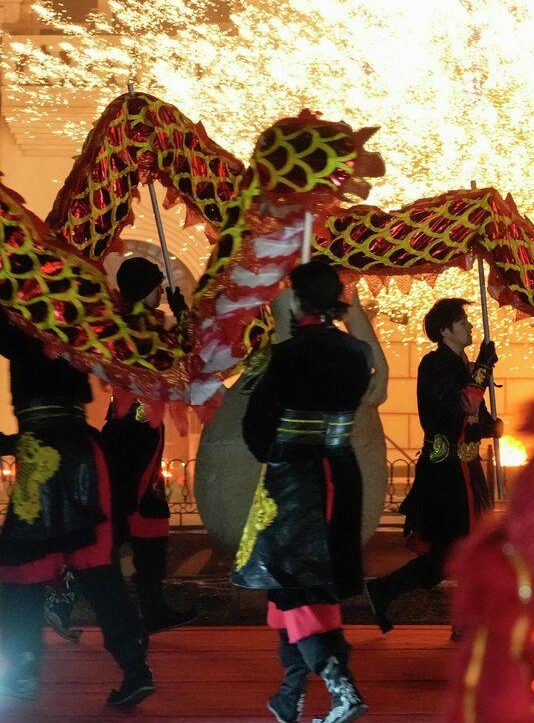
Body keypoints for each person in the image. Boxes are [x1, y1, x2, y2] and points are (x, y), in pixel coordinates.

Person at [231, 261, 375, 723]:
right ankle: (289, 695)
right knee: (307, 587)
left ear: (297, 300)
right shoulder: (358, 353)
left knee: (292, 586)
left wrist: (275, 454)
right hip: (341, 473)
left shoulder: (284, 356)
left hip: (295, 478)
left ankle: (341, 688)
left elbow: (256, 425)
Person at [0, 313, 154, 707]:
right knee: (97, 568)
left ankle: (22, 667)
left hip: (44, 454)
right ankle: (135, 667)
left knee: (24, 568)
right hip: (83, 452)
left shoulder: (24, 314)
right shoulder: (79, 316)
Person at [46, 257, 196, 640]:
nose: (161, 291)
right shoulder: (134, 328)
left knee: (149, 525)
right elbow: (181, 361)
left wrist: (181, 319)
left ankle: (153, 608)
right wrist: (183, 319)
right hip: (132, 437)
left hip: (141, 433)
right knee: (115, 527)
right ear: (146, 289)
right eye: (157, 285)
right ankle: (62, 597)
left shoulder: (140, 325)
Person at [363, 298, 500, 634]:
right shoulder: (433, 365)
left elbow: (473, 417)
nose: (470, 326)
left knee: (462, 549)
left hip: (468, 470)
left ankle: (385, 592)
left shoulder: (464, 366)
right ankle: (390, 593)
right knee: (457, 548)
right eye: (462, 322)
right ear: (444, 331)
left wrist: (489, 427)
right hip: (446, 474)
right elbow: (460, 405)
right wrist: (482, 369)